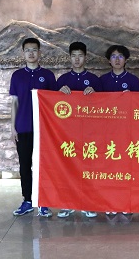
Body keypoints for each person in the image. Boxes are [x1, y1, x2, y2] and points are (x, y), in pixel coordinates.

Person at [10, 37, 57, 218]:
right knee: (24, 165)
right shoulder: (17, 76)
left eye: (34, 50)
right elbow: (14, 103)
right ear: (23, 53)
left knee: (44, 166)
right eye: (28, 50)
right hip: (22, 127)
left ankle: (43, 202)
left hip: (44, 129)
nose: (31, 53)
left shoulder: (48, 75)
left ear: (40, 53)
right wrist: (12, 127)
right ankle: (27, 201)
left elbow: (54, 103)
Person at [56, 41, 101, 219]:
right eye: (73, 55)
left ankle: (87, 203)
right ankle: (67, 204)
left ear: (85, 57)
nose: (77, 59)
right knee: (67, 168)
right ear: (69, 57)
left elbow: (105, 105)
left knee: (88, 168)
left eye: (80, 55)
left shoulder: (95, 80)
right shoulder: (62, 80)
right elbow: (52, 106)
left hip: (89, 133)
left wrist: (95, 93)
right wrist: (58, 93)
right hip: (67, 134)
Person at [100, 44, 139, 216]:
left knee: (126, 168)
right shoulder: (102, 80)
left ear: (126, 60)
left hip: (127, 132)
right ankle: (110, 203)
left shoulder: (133, 80)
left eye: (120, 56)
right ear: (109, 60)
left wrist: (130, 98)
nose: (117, 59)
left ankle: (125, 203)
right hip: (107, 132)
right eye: (114, 56)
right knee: (109, 168)